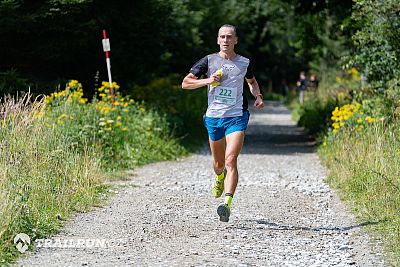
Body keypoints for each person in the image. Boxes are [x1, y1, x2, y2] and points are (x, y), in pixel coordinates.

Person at [181, 24, 265, 222]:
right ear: (218, 40)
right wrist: (209, 80)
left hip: (236, 116)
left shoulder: (244, 62)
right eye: (222, 37)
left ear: (236, 40)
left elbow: (251, 82)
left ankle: (226, 204)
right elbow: (185, 83)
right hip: (214, 117)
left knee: (230, 160)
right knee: (219, 164)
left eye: (229, 37)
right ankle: (219, 177)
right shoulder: (209, 61)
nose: (226, 40)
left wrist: (258, 96)